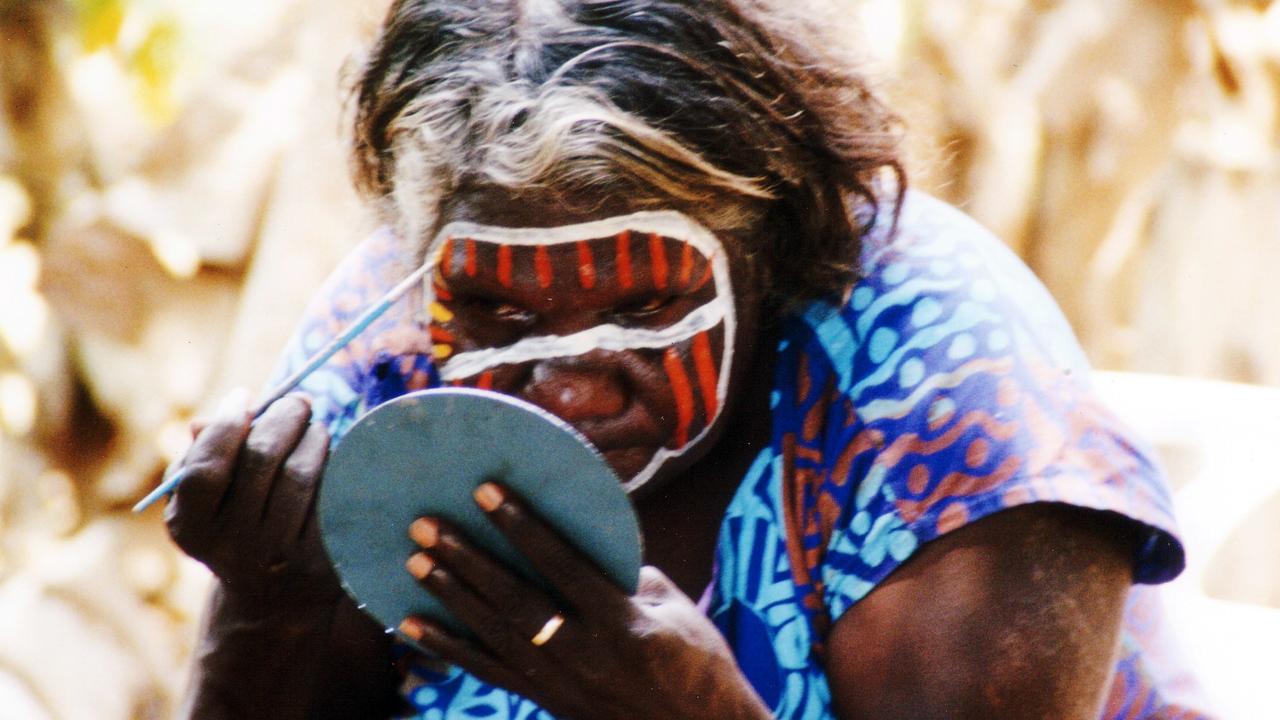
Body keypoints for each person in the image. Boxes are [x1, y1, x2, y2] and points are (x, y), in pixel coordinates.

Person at [163, 1, 1212, 718]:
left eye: (648, 300)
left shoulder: (949, 401)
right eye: (495, 310)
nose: (568, 383)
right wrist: (271, 600)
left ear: (774, 252)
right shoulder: (389, 337)